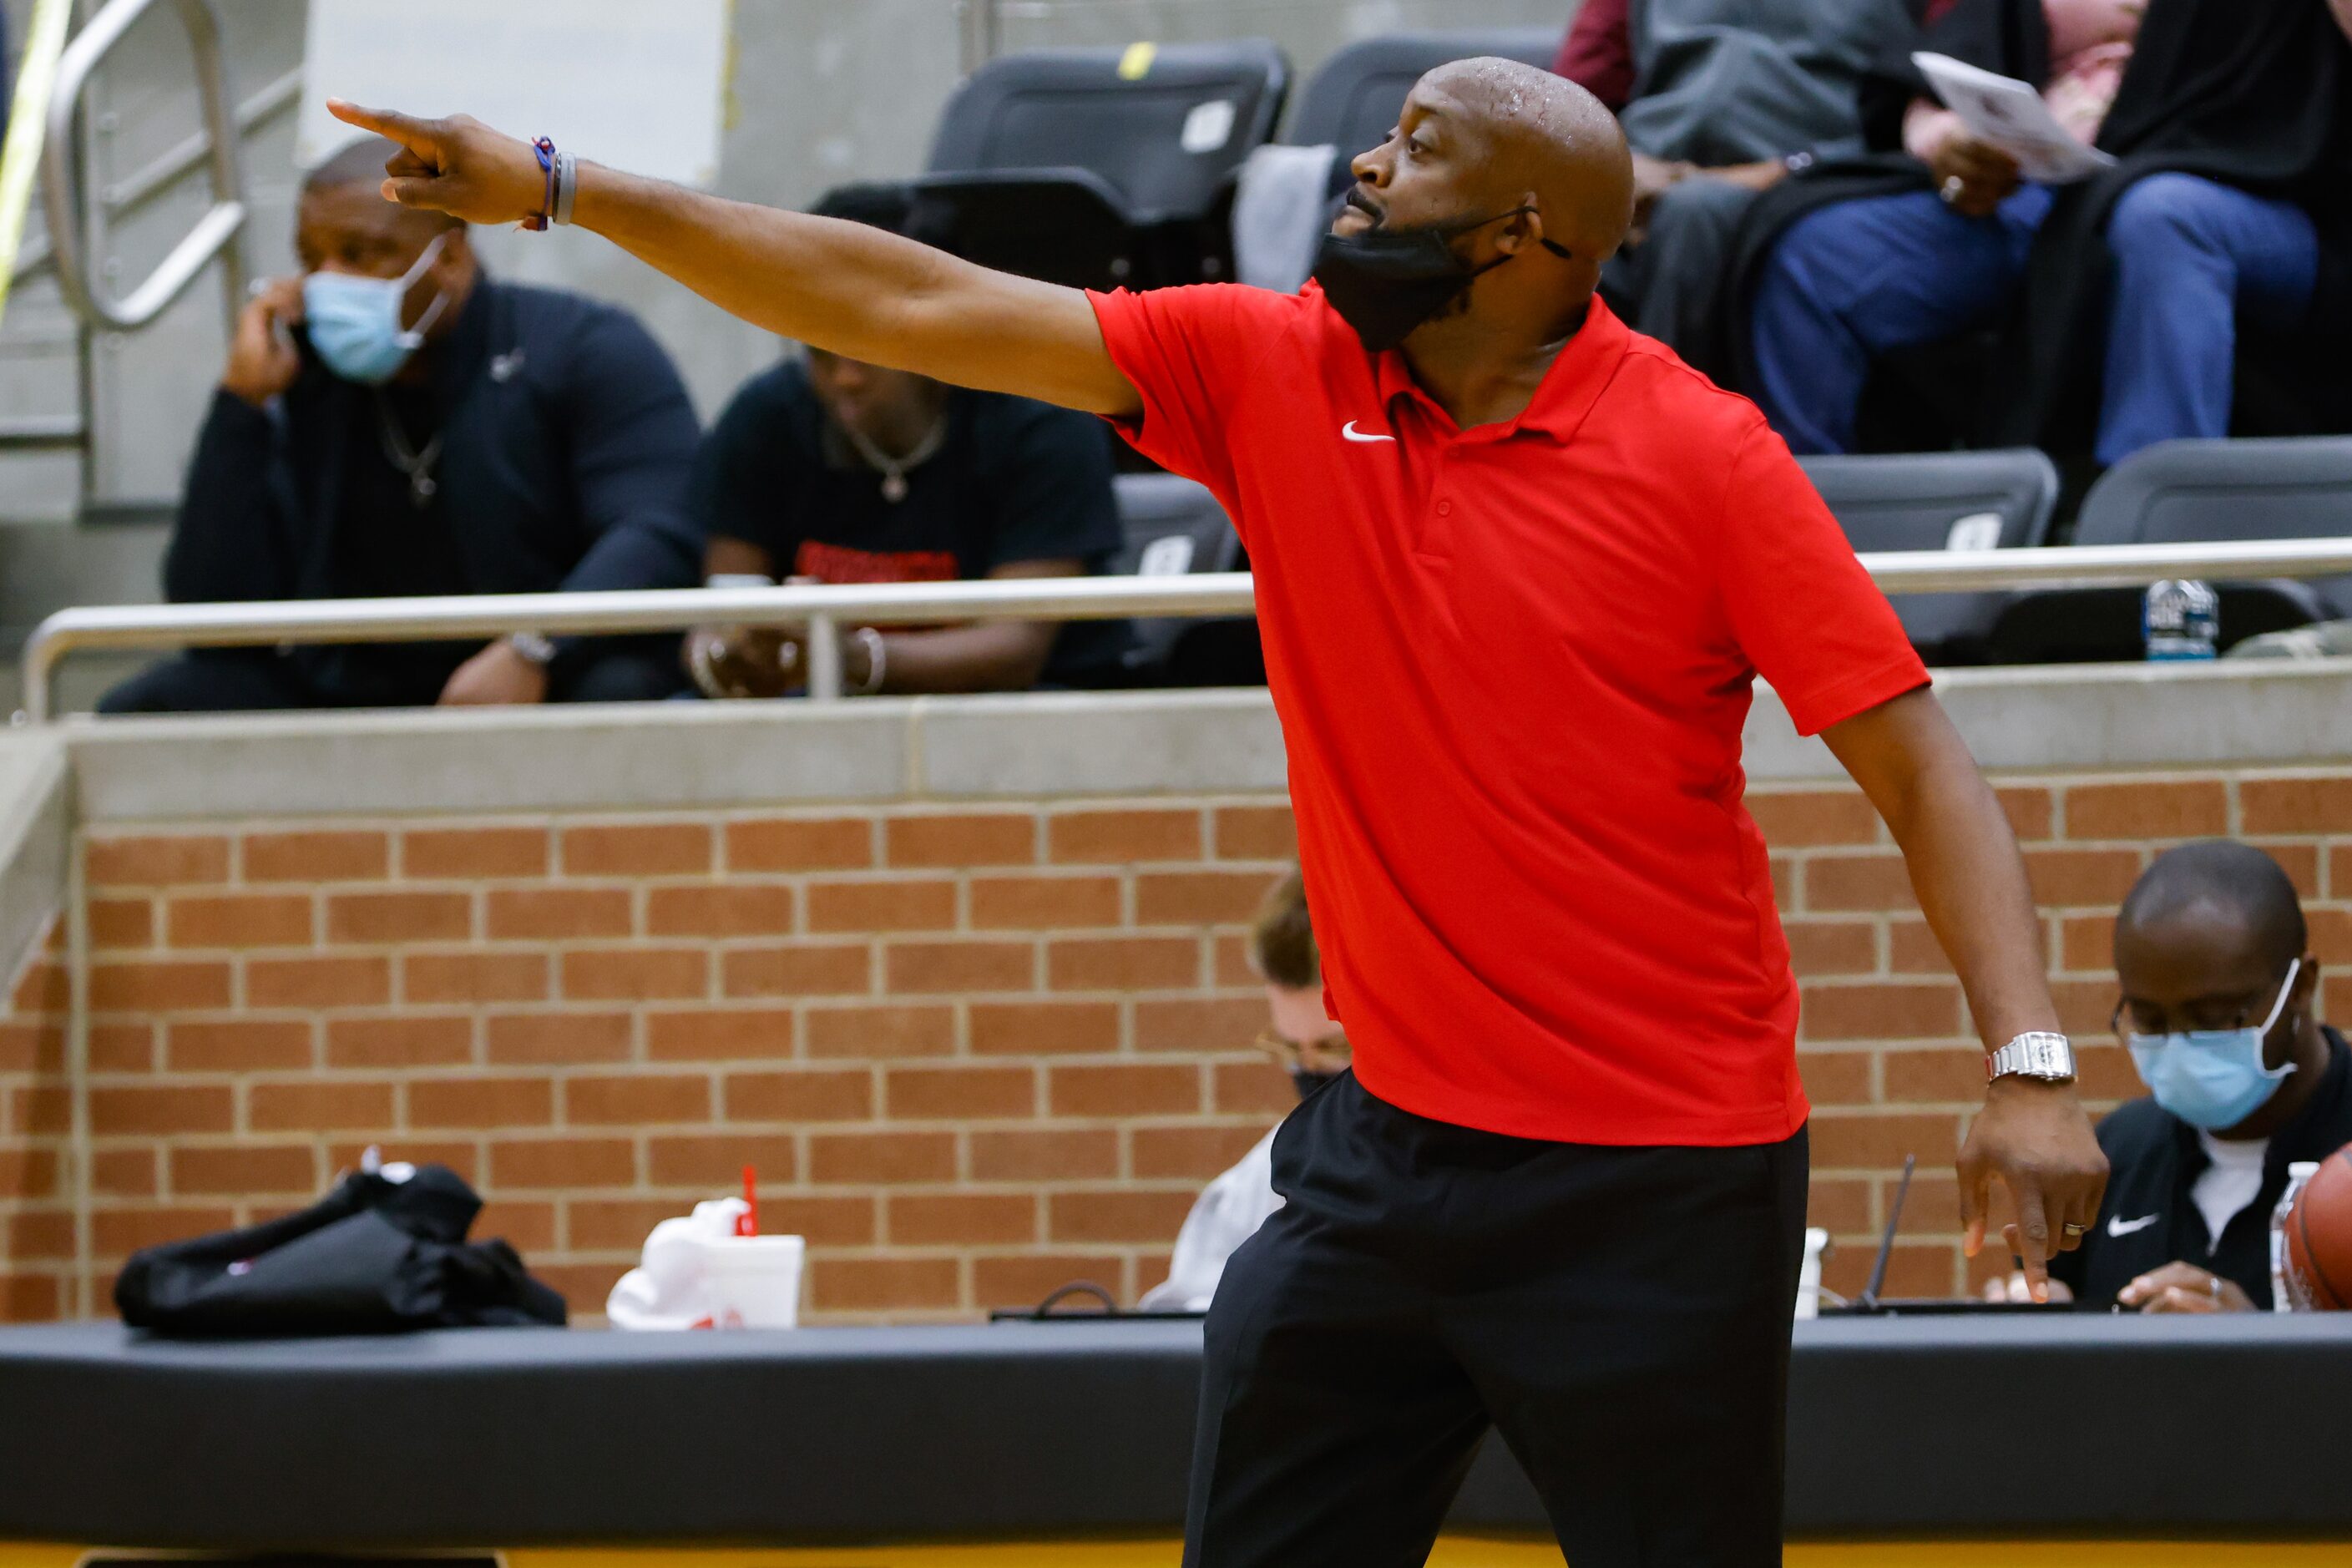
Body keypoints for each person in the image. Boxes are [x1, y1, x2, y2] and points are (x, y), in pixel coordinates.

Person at [332, 63, 2106, 1565]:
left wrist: (2025, 1066)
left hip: (1652, 1185)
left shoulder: (1700, 457)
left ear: (1518, 246)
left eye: (1416, 149)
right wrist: (560, 188)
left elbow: (1914, 762)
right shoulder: (1276, 371)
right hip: (1381, 1165)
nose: (1363, 161)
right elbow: (900, 299)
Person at [99, 136, 703, 715]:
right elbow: (212, 619)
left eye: (360, 254)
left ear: (451, 257)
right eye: (311, 259)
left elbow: (658, 533)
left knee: (624, 691)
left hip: (542, 673)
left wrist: (535, 648)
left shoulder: (584, 347)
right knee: (158, 703)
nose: (326, 281)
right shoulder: (302, 374)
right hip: (350, 690)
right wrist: (241, 407)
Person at [1742, 0, 2352, 463]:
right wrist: (1945, 133)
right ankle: (1805, 542)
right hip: (2044, 190)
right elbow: (1965, 50)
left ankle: (2153, 554)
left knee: (2159, 218)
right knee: (1817, 251)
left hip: (2262, 204)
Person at [684, 185, 1128, 700]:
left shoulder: (1041, 420)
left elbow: (1014, 649)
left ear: (939, 329)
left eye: (864, 343)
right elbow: (718, 618)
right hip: (824, 704)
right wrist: (729, 660)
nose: (843, 376)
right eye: (817, 346)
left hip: (1022, 713)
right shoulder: (766, 415)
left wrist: (847, 657)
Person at [1983, 842, 2352, 1312]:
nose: (2180, 1044)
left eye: (2215, 1017)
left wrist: (2263, 1349)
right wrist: (2047, 1317)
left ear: (2300, 987)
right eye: (2151, 1020)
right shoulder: (2112, 1156)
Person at [1557, 0, 1913, 364]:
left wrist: (1794, 167)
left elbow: (1922, 111)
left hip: (1815, 171)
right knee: (1541, 214)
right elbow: (1573, 95)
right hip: (1648, 156)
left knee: (1692, 214)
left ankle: (1668, 415)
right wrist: (1615, 163)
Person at [1142, 870, 1349, 1313]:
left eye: (1334, 1047)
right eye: (1292, 1049)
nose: (1310, 1071)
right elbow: (1180, 1330)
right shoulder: (1259, 1184)